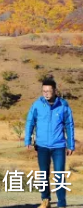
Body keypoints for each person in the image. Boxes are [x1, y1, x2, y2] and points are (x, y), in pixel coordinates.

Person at [25, 79, 75, 208]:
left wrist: (71, 145)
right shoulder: (37, 105)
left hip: (58, 146)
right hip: (42, 146)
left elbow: (69, 125)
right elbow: (30, 121)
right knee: (43, 175)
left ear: (55, 91)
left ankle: (62, 203)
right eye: (44, 91)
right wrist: (28, 140)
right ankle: (45, 200)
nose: (46, 93)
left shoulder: (63, 105)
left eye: (49, 91)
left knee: (59, 175)